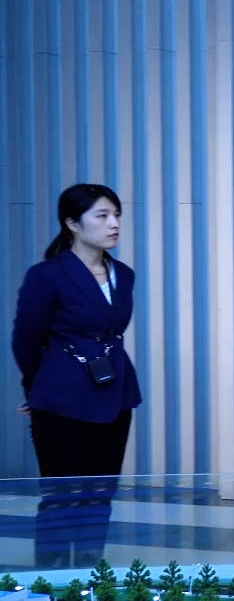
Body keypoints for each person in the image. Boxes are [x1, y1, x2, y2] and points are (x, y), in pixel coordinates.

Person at [11, 184, 141, 568]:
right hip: (63, 397)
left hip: (115, 392)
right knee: (62, 496)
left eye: (116, 215)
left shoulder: (123, 275)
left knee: (100, 493)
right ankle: (52, 579)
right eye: (102, 216)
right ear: (72, 224)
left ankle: (89, 575)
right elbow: (26, 339)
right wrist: (37, 390)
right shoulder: (47, 275)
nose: (114, 224)